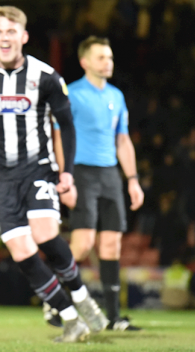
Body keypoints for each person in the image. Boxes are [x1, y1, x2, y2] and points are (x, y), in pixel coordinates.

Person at [0, 6, 108, 343]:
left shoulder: (46, 77)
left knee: (44, 235)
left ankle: (82, 297)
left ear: (24, 36)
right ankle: (71, 319)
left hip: (38, 168)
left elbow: (67, 128)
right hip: (0, 177)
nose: (5, 38)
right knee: (21, 252)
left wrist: (66, 173)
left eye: (11, 31)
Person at [50, 36, 145, 331]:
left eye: (111, 57)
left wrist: (132, 180)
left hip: (110, 175)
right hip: (81, 172)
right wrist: (64, 176)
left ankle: (114, 317)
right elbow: (58, 137)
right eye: (102, 57)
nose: (109, 62)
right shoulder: (72, 94)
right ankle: (53, 300)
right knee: (83, 244)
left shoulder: (116, 96)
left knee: (112, 244)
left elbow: (122, 140)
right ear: (85, 62)